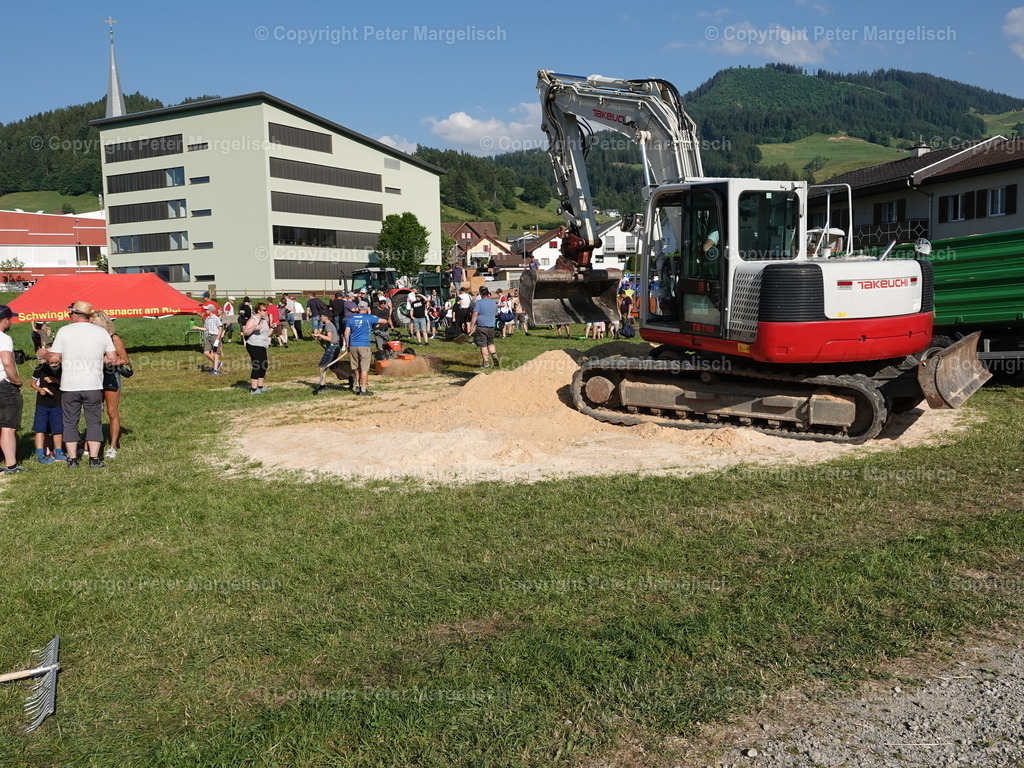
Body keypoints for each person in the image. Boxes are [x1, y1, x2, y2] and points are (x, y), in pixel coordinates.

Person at [44, 301, 117, 469]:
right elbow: (112, 358)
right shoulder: (101, 332)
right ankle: (94, 459)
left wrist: (46, 355)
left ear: (75, 315)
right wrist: (99, 360)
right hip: (93, 384)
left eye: (70, 314)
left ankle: (72, 459)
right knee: (94, 422)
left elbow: (54, 358)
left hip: (70, 384)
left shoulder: (64, 331)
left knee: (70, 422)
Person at [91, 310, 130, 458]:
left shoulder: (114, 338)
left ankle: (113, 445)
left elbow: (125, 359)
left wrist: (110, 362)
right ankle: (92, 442)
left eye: (92, 322)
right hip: (94, 376)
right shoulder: (91, 338)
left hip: (110, 375)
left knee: (111, 412)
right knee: (94, 411)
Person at [0, 305, 26, 473]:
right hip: (3, 384)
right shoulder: (4, 338)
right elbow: (8, 362)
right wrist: (16, 381)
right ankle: (11, 464)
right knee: (7, 426)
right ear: (6, 320)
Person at [30, 346, 67, 464]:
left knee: (58, 429)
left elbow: (67, 383)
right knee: (40, 429)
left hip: (57, 402)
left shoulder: (63, 368)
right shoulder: (41, 367)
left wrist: (54, 380)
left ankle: (58, 452)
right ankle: (40, 453)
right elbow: (32, 382)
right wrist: (40, 389)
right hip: (42, 403)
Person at [343, 301, 388, 396]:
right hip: (364, 345)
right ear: (367, 308)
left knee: (356, 367)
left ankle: (358, 386)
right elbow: (384, 321)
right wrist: (375, 324)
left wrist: (347, 344)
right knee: (364, 368)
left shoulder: (350, 319)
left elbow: (346, 333)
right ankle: (363, 389)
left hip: (353, 345)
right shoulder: (369, 318)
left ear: (358, 308)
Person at [242, 302, 272, 394]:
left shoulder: (264, 320)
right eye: (264, 310)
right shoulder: (252, 320)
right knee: (257, 365)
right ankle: (254, 389)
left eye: (266, 310)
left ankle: (260, 386)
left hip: (262, 344)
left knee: (264, 365)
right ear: (258, 311)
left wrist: (272, 328)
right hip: (253, 344)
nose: (266, 312)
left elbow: (267, 334)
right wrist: (254, 327)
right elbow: (245, 332)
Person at [312, 311, 342, 395]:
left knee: (322, 366)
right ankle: (350, 377)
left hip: (332, 348)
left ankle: (322, 386)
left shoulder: (328, 326)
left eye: (321, 316)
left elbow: (330, 339)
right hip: (335, 347)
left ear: (326, 317)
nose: (320, 318)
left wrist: (320, 335)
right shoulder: (330, 325)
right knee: (333, 367)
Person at [469, 286, 499, 369]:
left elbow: (475, 314)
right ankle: (494, 354)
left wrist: (472, 325)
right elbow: (495, 313)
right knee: (491, 342)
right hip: (491, 326)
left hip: (482, 326)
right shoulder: (493, 303)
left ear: (481, 294)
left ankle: (486, 361)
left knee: (483, 345)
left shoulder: (479, 303)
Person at [201, 304, 224, 374]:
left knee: (215, 353)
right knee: (206, 352)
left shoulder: (216, 318)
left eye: (207, 309)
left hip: (215, 337)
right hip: (209, 337)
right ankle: (217, 363)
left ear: (210, 310)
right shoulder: (207, 319)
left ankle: (215, 370)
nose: (205, 311)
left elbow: (220, 328)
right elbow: (206, 328)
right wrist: (197, 328)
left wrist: (217, 338)